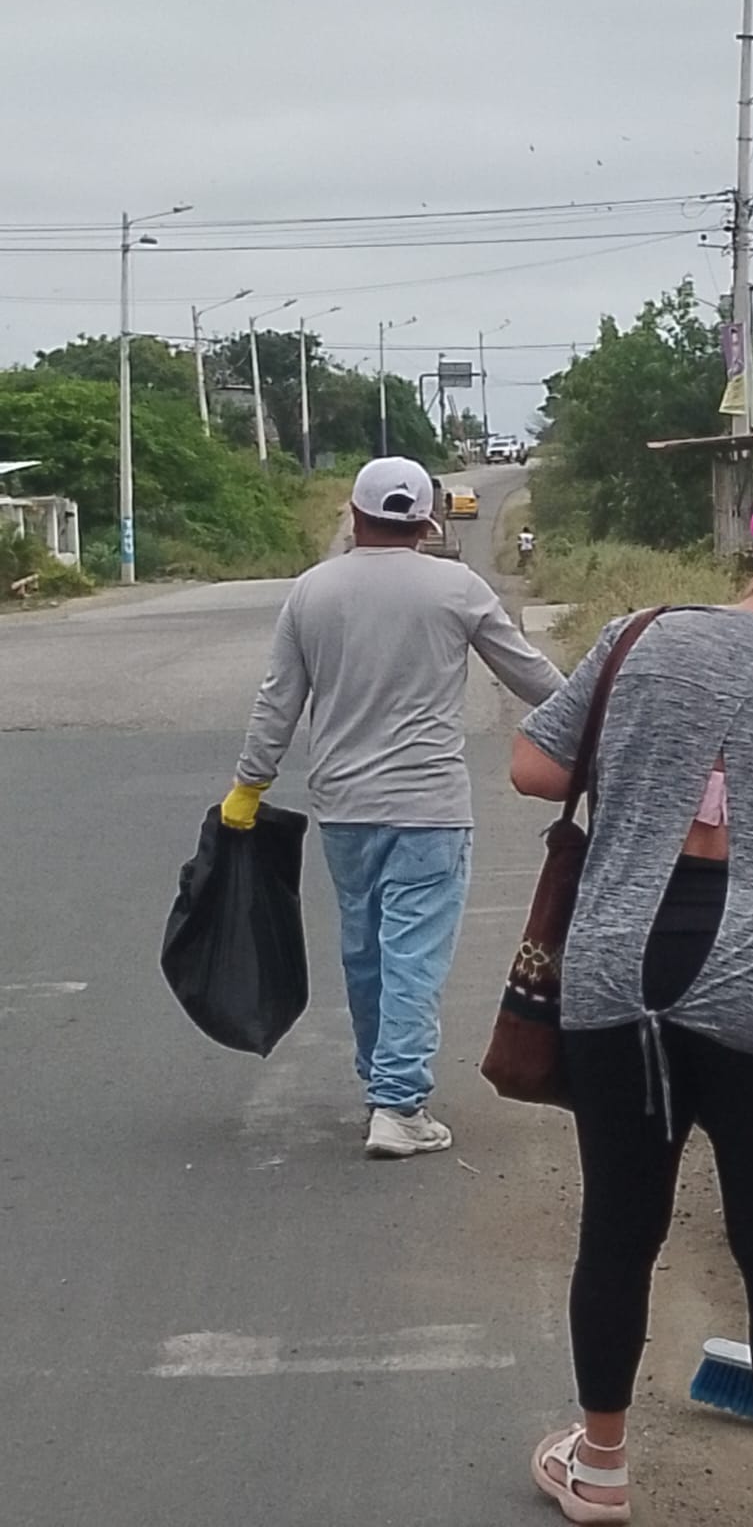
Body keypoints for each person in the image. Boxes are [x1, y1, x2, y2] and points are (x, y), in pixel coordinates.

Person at [510, 496, 753, 1527]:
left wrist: (648, 770)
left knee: (617, 1230)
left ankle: (599, 1466)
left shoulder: (640, 637)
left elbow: (533, 767)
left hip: (618, 982)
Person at [222, 457, 564, 1160]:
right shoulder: (455, 588)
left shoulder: (313, 591)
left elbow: (277, 700)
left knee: (366, 950)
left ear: (354, 514)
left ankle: (381, 1085)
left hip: (345, 807)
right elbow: (531, 676)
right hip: (429, 807)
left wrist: (250, 784)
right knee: (413, 953)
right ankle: (399, 1104)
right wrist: (603, 718)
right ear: (427, 522)